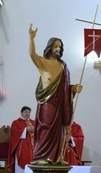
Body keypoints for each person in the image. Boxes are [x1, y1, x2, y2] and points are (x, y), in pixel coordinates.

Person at [27, 24, 82, 164]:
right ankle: (43, 157)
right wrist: (32, 38)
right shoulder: (43, 62)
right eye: (55, 46)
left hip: (60, 103)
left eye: (60, 46)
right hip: (48, 102)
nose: (58, 49)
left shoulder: (63, 66)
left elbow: (65, 86)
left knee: (59, 131)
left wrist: (73, 88)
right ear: (50, 47)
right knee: (47, 128)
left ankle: (57, 157)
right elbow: (32, 54)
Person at [8, 106, 35, 173]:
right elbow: (14, 133)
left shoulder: (34, 122)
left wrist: (35, 129)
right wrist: (26, 129)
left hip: (33, 147)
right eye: (26, 112)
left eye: (29, 112)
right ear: (21, 113)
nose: (27, 114)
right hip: (21, 147)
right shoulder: (16, 123)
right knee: (22, 161)